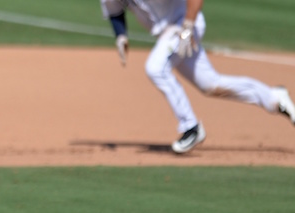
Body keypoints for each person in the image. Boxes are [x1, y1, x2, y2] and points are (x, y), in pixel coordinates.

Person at [100, 0, 295, 154]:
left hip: (185, 23)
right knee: (210, 84)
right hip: (168, 34)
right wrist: (121, 36)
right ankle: (273, 98)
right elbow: (114, 8)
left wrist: (187, 29)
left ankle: (191, 127)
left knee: (155, 68)